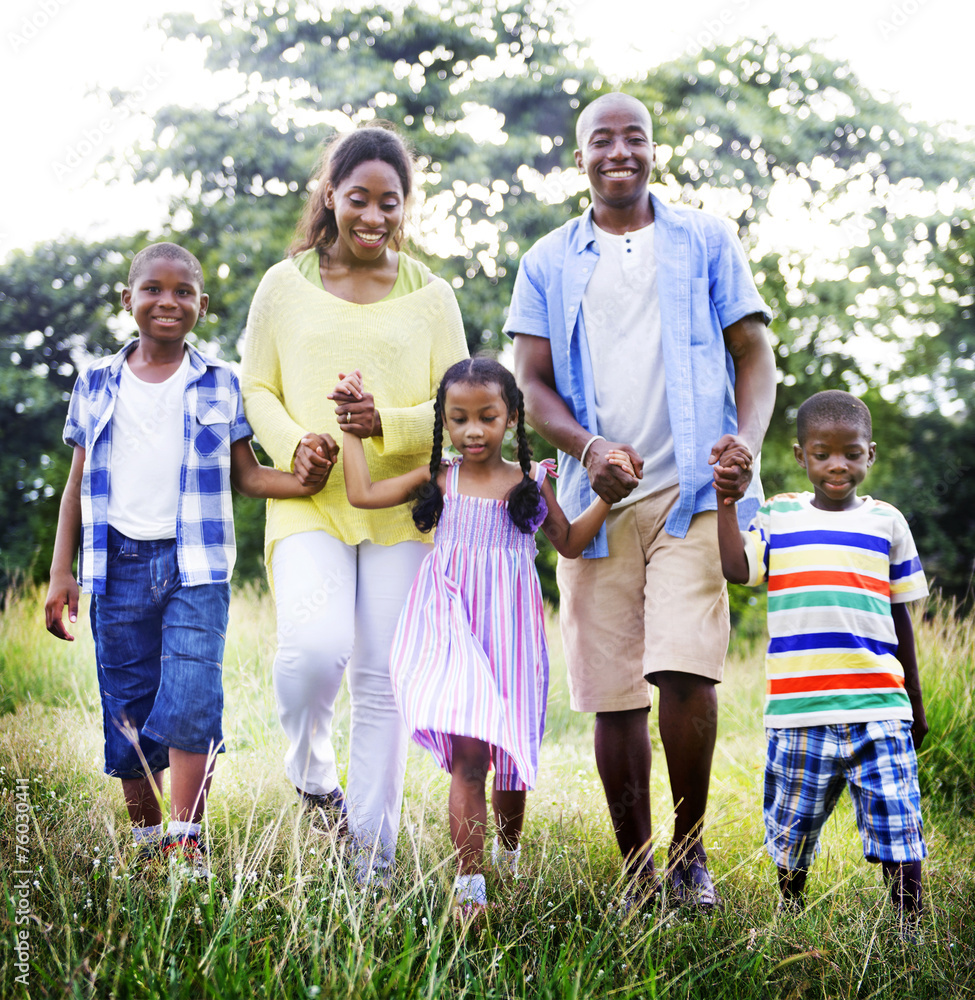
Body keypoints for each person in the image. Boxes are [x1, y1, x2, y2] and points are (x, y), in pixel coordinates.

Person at [506, 91, 777, 910]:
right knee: (614, 691)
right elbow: (529, 384)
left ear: (653, 150)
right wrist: (588, 449)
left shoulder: (705, 239)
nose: (618, 152)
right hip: (599, 500)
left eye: (634, 138)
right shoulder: (548, 261)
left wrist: (747, 447)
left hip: (696, 492)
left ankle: (691, 859)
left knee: (684, 673)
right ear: (580, 155)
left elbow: (753, 356)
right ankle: (636, 873)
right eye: (601, 140)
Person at [44, 242, 330, 876]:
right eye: (152, 290)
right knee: (129, 700)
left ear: (201, 305)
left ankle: (186, 838)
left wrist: (306, 480)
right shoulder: (94, 382)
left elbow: (249, 478)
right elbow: (74, 485)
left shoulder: (222, 382)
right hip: (115, 565)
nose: (166, 302)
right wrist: (62, 571)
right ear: (128, 300)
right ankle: (148, 840)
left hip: (195, 565)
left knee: (193, 693)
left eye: (181, 293)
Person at [240, 123, 469, 883]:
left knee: (381, 680)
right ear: (331, 196)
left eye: (390, 203)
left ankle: (371, 862)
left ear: (407, 208)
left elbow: (461, 409)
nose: (374, 216)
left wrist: (390, 425)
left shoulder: (433, 297)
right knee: (312, 652)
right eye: (358, 199)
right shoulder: (284, 285)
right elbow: (255, 388)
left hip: (401, 509)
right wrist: (294, 442)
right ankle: (311, 773)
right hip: (309, 504)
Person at [336, 358, 634, 913]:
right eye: (459, 419)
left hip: (514, 631)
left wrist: (606, 500)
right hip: (453, 625)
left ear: (512, 418)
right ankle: (469, 888)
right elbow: (361, 494)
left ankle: (508, 857)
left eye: (487, 417)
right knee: (471, 756)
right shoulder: (439, 477)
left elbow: (568, 543)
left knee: (510, 756)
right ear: (443, 423)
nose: (473, 431)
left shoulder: (531, 483)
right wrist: (354, 431)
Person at [715, 390, 928, 927]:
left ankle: (909, 925)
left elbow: (902, 617)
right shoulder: (777, 516)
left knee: (898, 821)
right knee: (793, 827)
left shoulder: (888, 523)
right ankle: (790, 909)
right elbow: (738, 572)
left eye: (851, 453)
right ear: (800, 456)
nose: (838, 465)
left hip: (879, 705)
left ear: (870, 454)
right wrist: (724, 505)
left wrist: (915, 705)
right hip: (799, 710)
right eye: (823, 453)